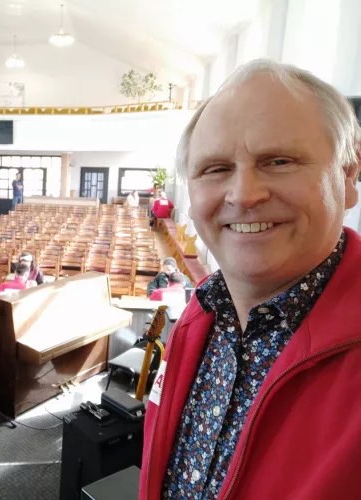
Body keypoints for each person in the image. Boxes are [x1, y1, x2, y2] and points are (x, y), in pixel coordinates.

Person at [140, 59, 361, 500]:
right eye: (215, 169)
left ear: (348, 173)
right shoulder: (199, 316)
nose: (244, 195)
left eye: (279, 161)